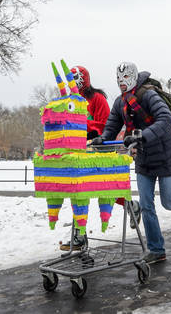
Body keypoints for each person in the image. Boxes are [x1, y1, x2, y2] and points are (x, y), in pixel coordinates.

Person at [92, 62, 171, 264]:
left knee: (169, 202)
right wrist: (101, 138)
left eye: (125, 78)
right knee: (147, 205)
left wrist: (141, 136)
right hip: (144, 159)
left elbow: (164, 120)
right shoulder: (120, 103)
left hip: (164, 155)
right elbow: (112, 125)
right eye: (118, 79)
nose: (121, 82)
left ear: (134, 76)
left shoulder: (148, 94)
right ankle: (157, 249)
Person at [60, 65, 113, 251]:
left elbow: (106, 125)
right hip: (79, 152)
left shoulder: (97, 99)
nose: (73, 83)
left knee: (106, 192)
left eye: (75, 79)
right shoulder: (72, 100)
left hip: (98, 151)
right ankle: (79, 235)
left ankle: (132, 205)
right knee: (78, 192)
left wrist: (84, 124)